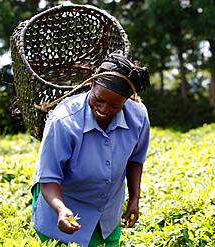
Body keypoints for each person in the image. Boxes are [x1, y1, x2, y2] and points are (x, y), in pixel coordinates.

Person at [31, 50, 151, 246]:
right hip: (62, 209)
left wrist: (134, 198)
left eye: (115, 106)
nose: (104, 110)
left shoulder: (138, 117)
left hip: (107, 215)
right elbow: (48, 177)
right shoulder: (64, 120)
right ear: (91, 85)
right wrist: (61, 210)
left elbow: (135, 160)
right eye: (99, 99)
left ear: (127, 100)